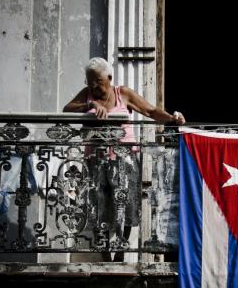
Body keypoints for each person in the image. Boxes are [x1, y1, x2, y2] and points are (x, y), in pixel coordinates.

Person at [63, 57, 185, 261]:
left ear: (109, 77)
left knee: (126, 206)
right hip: (95, 160)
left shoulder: (123, 93)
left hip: (125, 160)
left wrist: (172, 119)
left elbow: (150, 111)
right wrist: (90, 105)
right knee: (97, 206)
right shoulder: (87, 95)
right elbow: (67, 109)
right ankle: (105, 255)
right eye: (89, 81)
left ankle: (120, 250)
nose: (93, 85)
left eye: (97, 81)